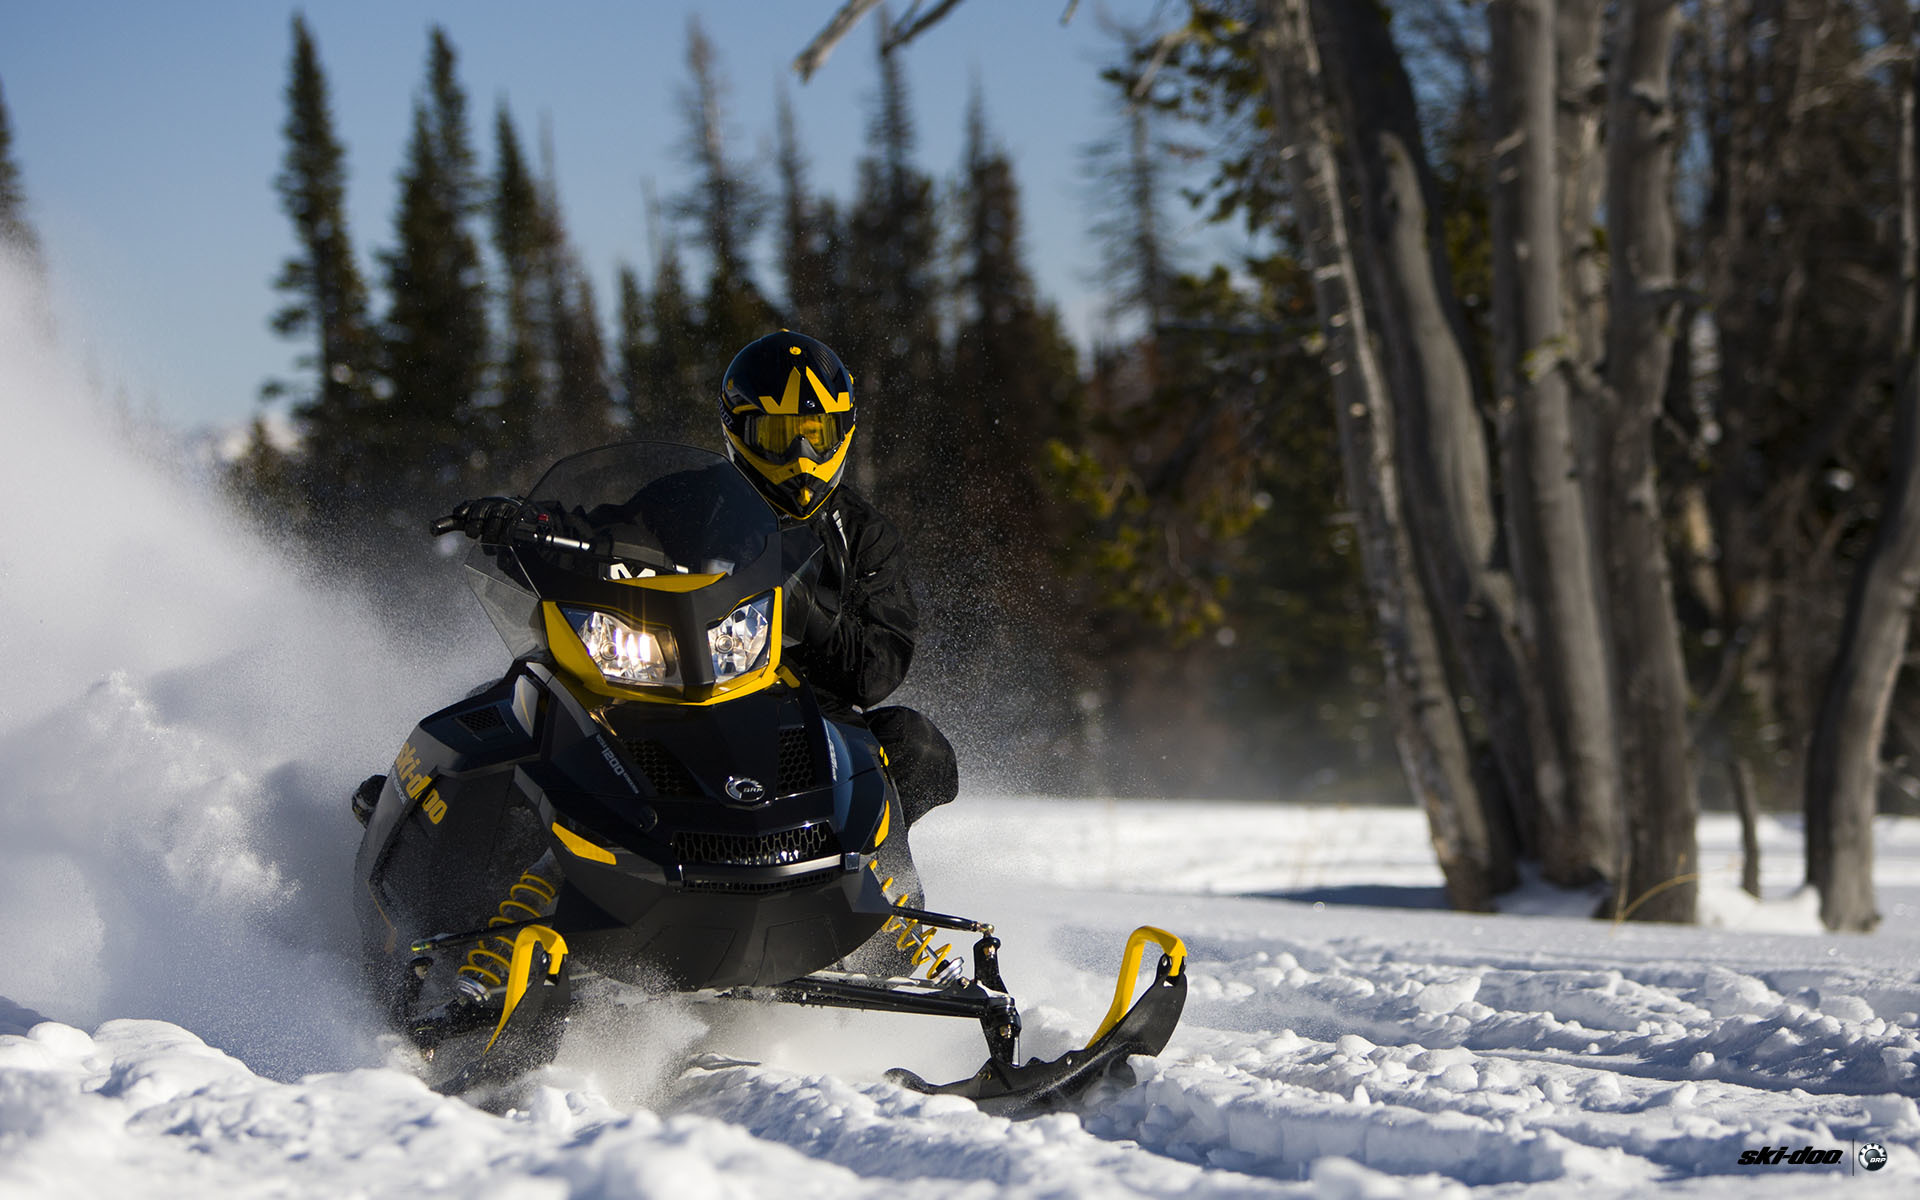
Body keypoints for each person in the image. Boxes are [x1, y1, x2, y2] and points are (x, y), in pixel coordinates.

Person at [717, 330, 957, 830]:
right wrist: (535, 525)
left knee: (918, 747)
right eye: (779, 435)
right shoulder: (697, 502)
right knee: (536, 701)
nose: (800, 455)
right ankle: (544, 857)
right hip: (686, 688)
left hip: (810, 711)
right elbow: (616, 522)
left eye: (815, 434)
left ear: (841, 432)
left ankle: (881, 874)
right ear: (740, 431)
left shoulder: (865, 534)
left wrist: (809, 614)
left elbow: (877, 671)